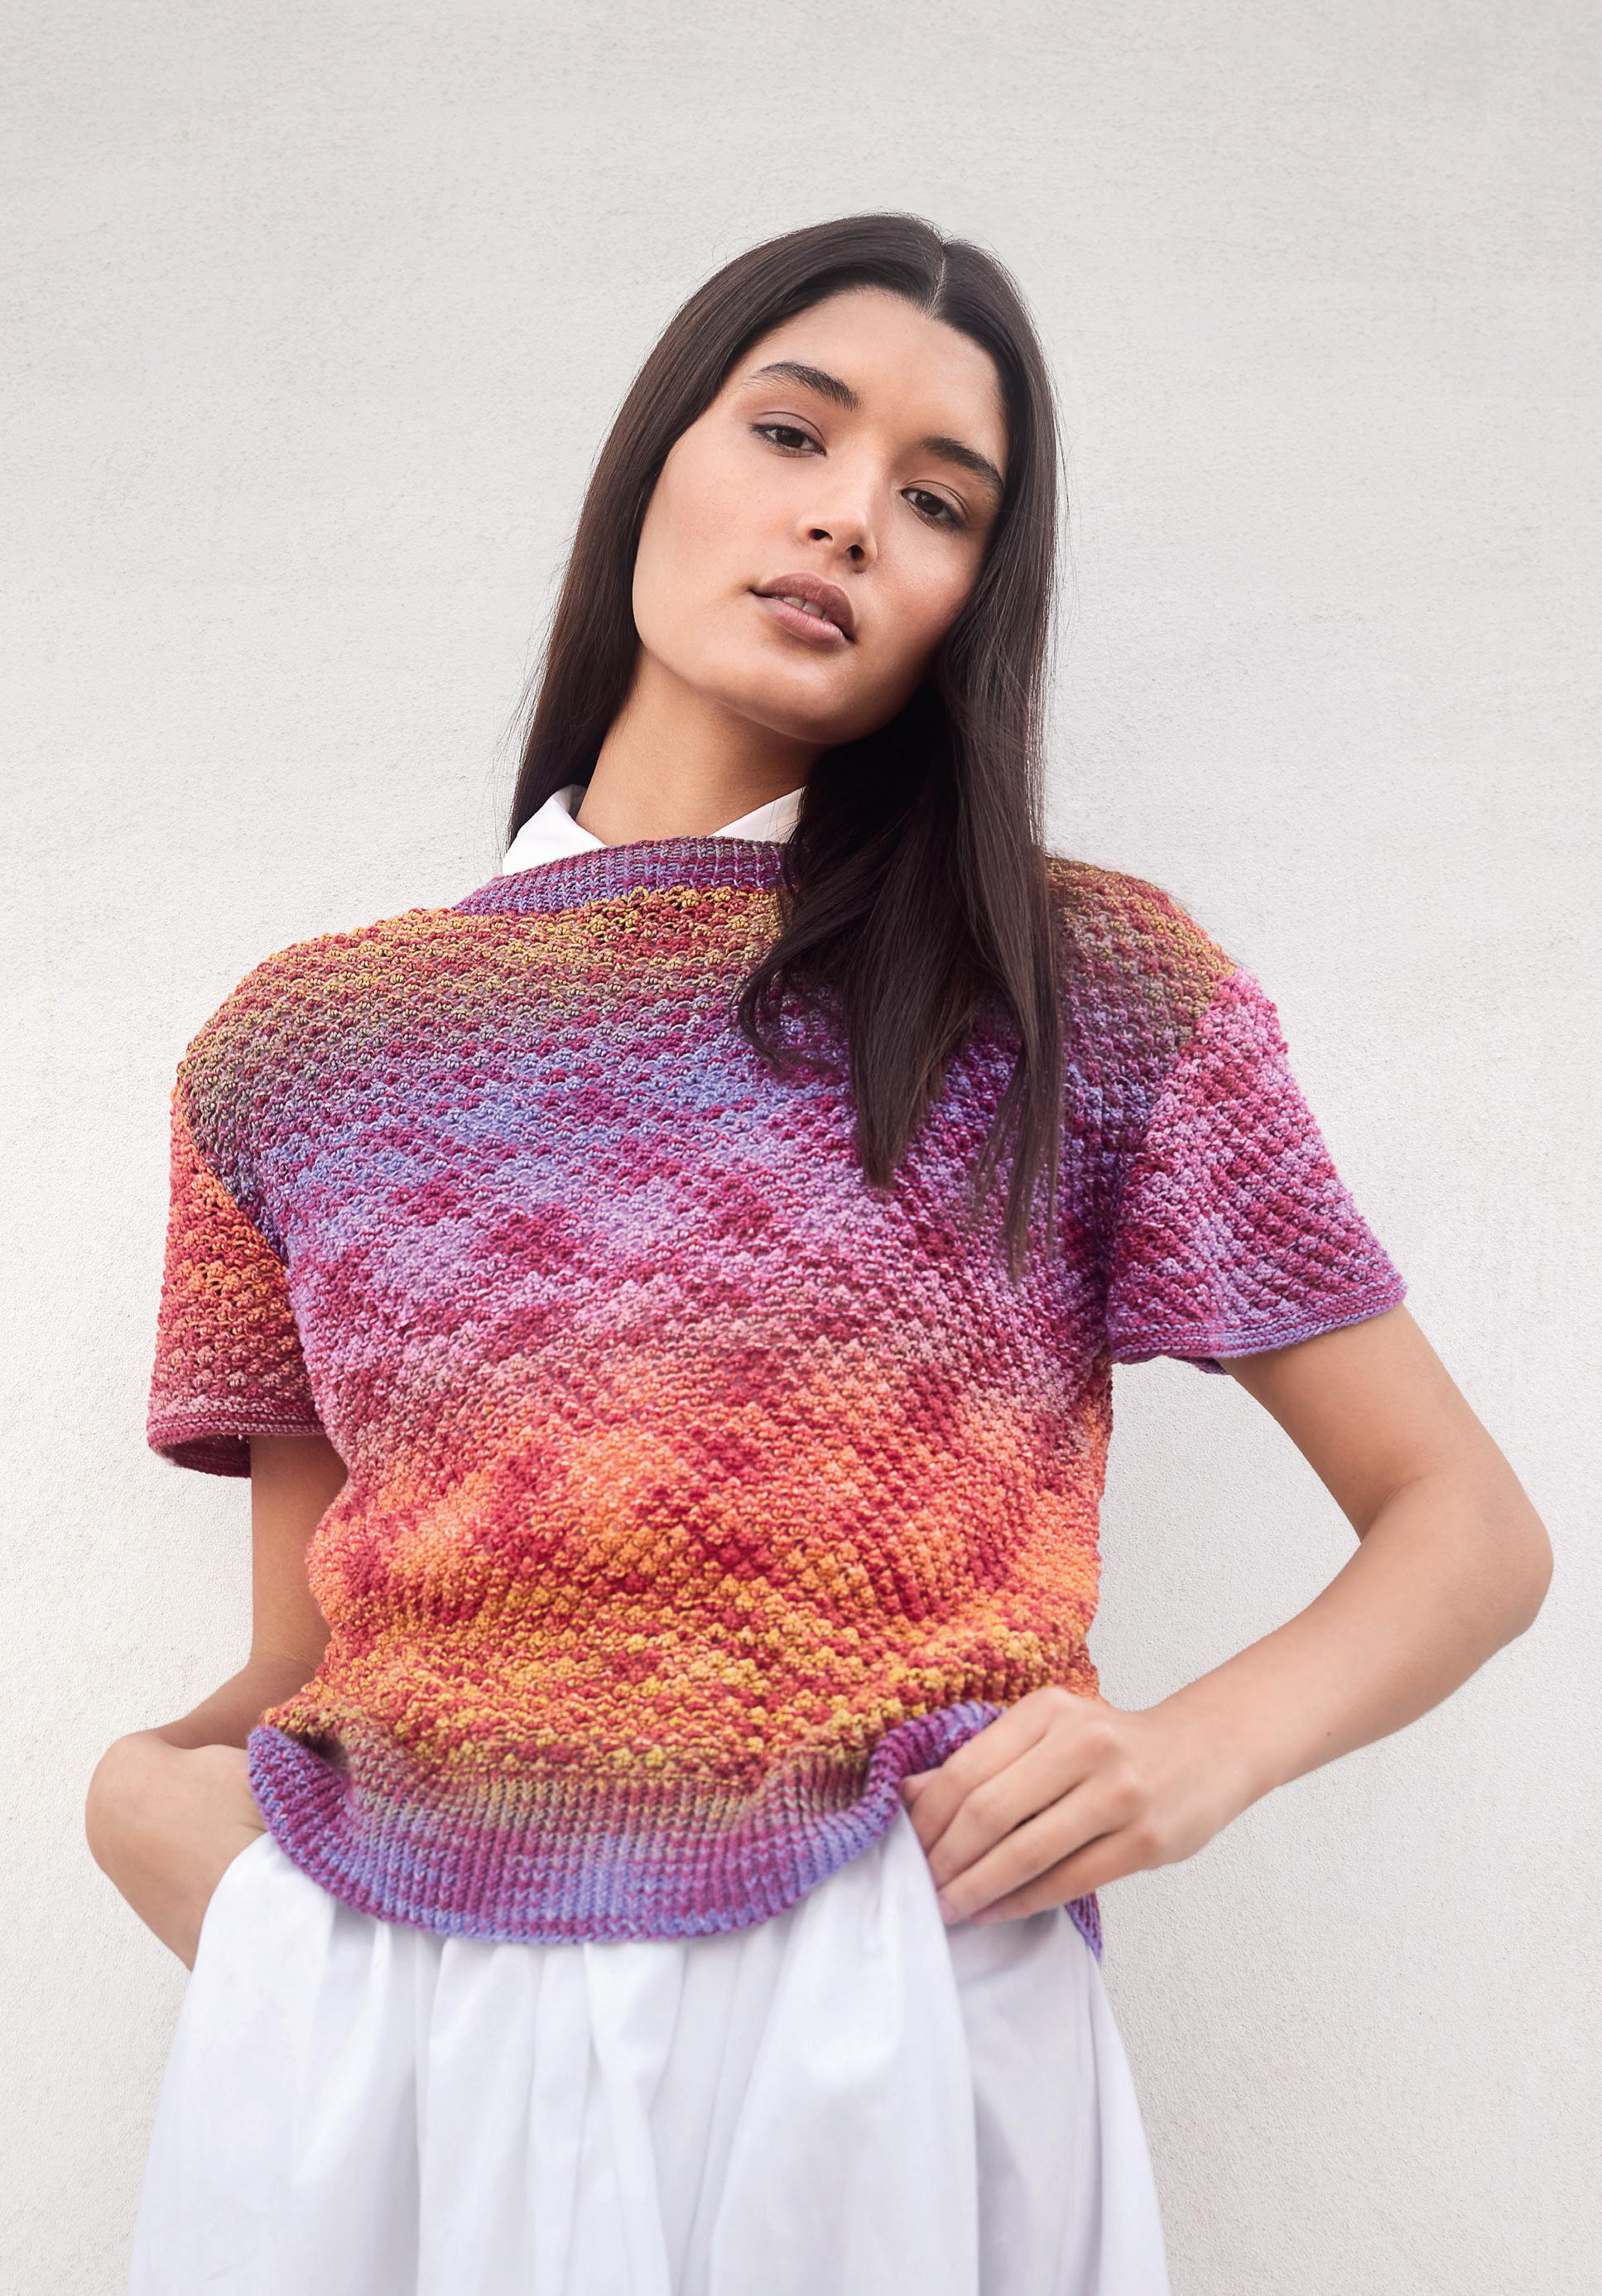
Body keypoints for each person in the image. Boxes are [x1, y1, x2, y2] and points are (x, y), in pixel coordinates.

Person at [85, 213, 1552, 2296]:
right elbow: (321, 1642)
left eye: (938, 502)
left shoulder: (1071, 989)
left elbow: (1464, 1525)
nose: (850, 516)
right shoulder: (299, 1052)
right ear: (653, 459)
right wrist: (144, 1797)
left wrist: (1184, 1758)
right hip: (391, 2004)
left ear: (968, 601)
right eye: (794, 432)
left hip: (876, 1995)